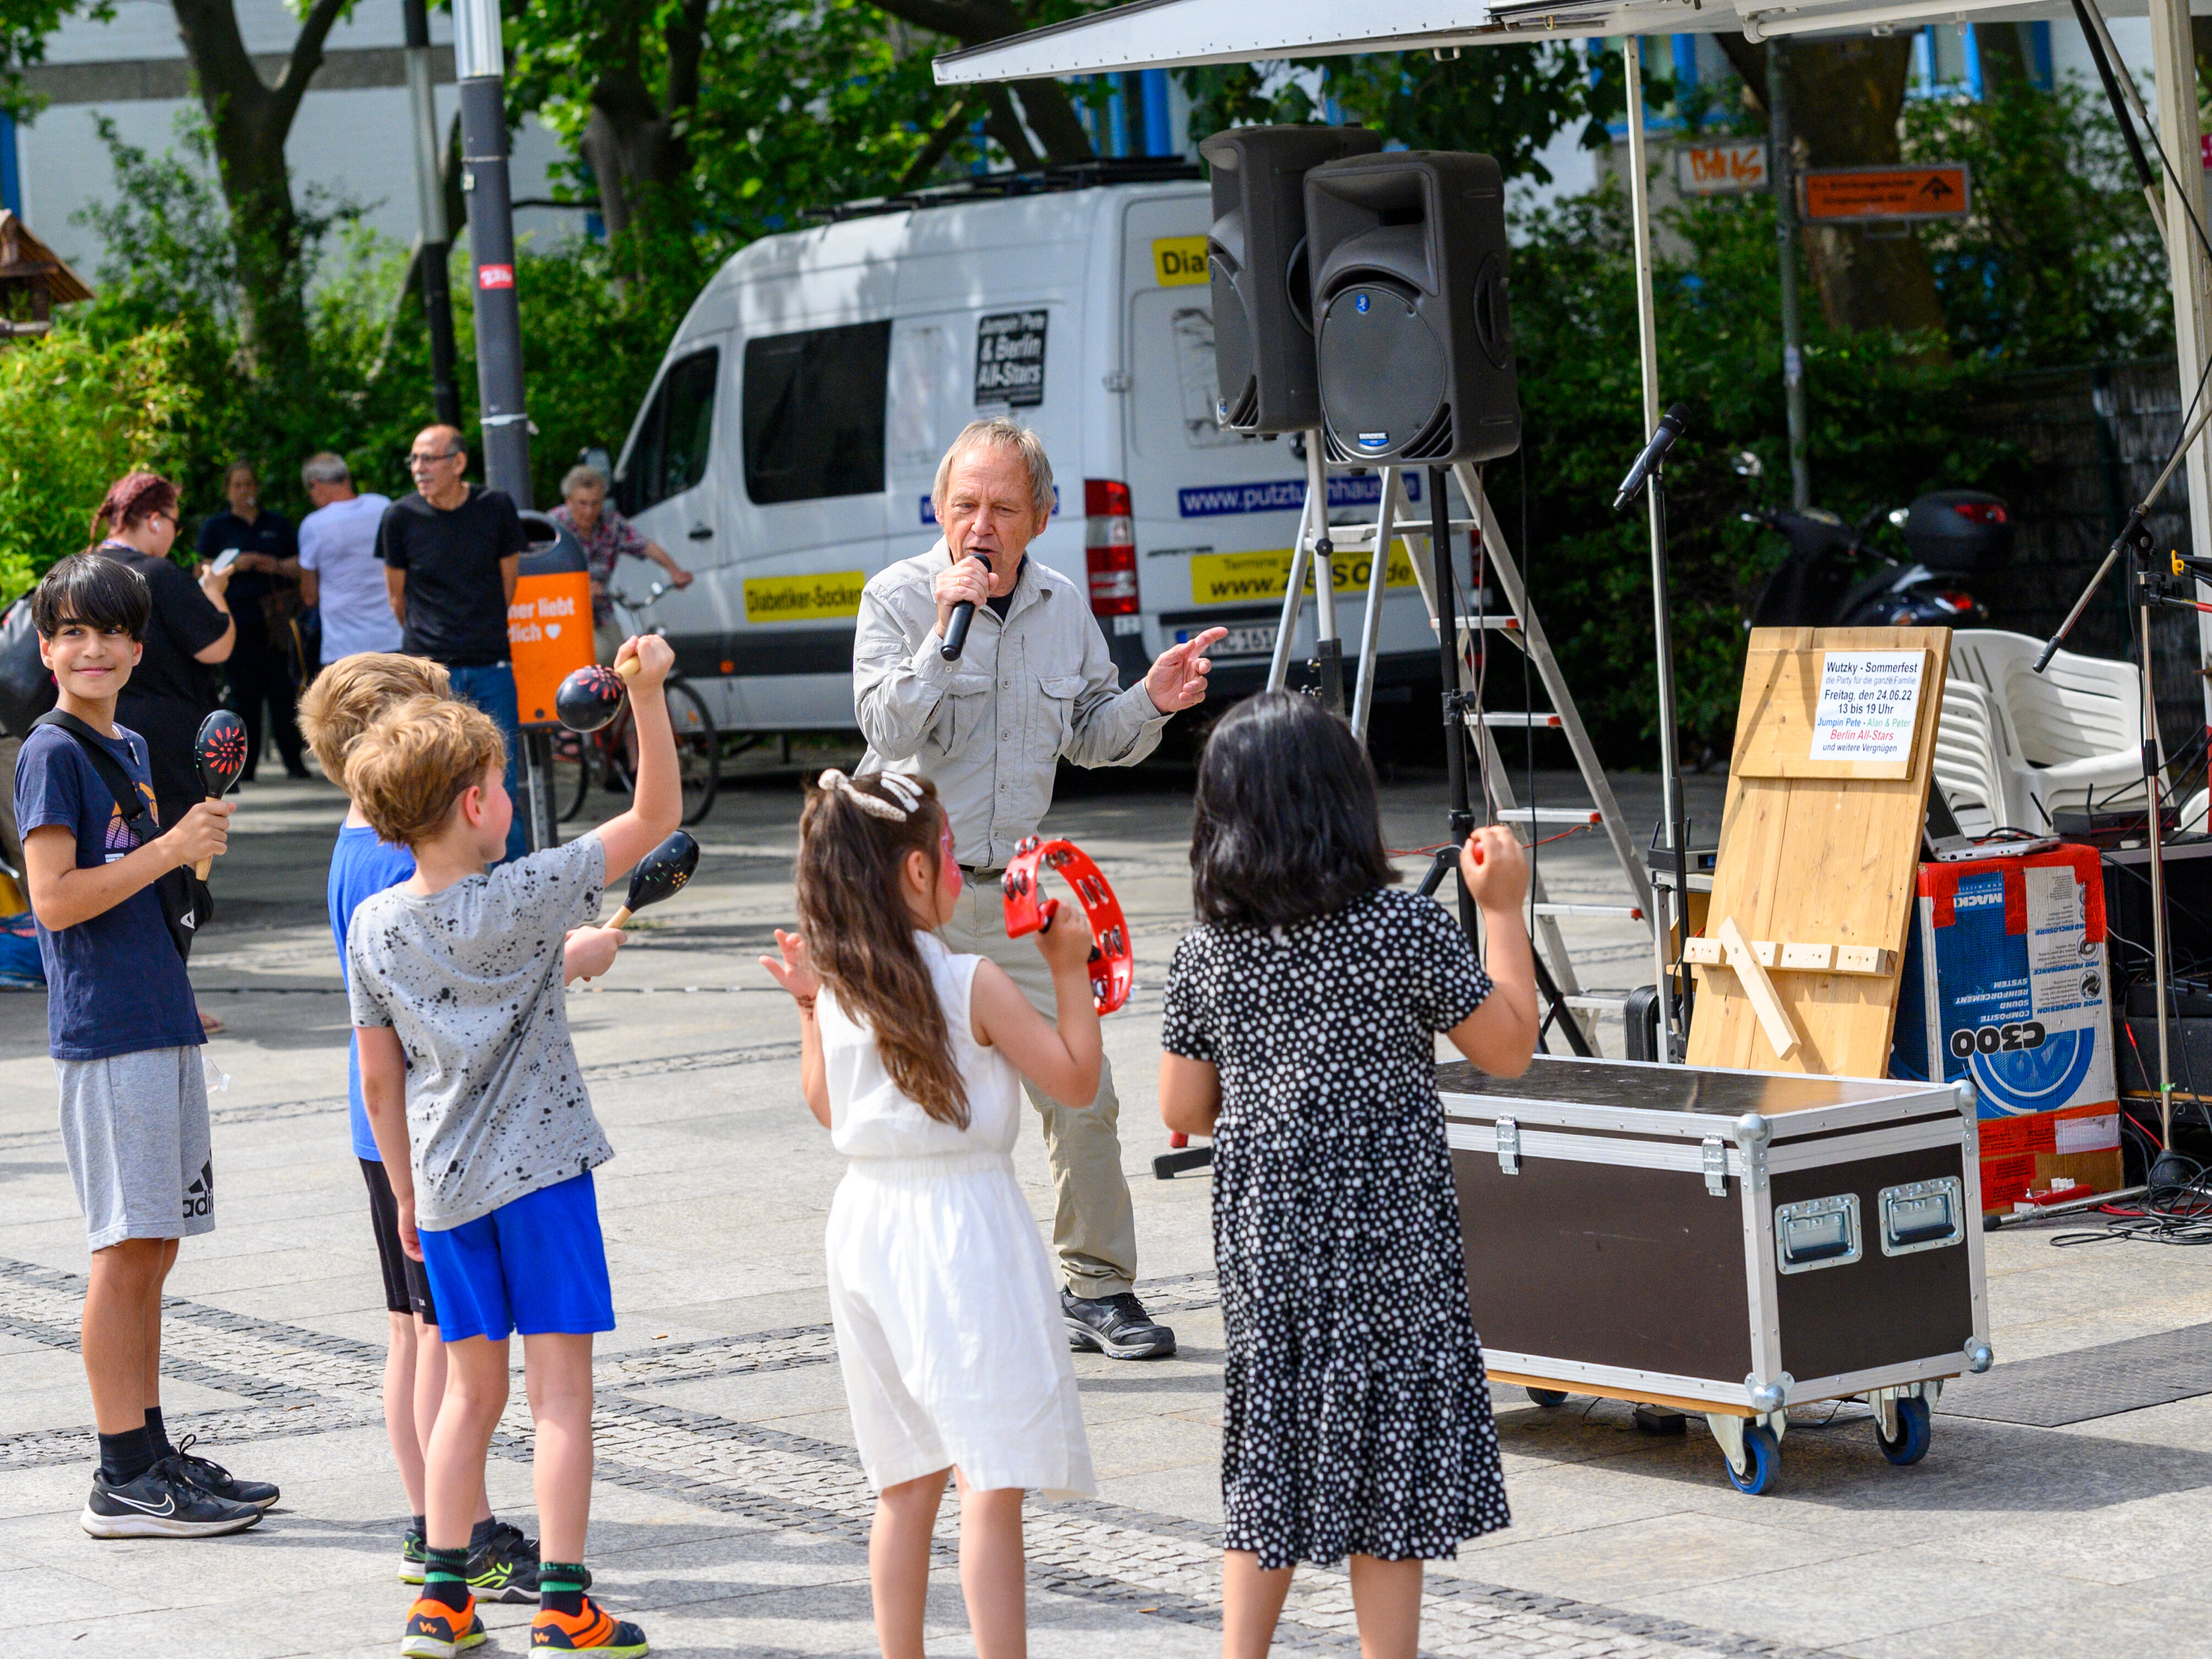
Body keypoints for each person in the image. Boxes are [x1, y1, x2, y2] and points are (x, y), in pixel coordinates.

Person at [1156, 692, 1540, 1659]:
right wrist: (1502, 911)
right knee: (1389, 1460)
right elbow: (1507, 1049)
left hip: (1270, 1241)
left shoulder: (1205, 951)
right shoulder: (1402, 929)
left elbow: (1183, 1107)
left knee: (1272, 1450)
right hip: (1391, 1234)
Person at [852, 418, 1225, 1362]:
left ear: (1042, 517)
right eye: (964, 505)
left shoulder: (1062, 604)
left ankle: (1098, 1289)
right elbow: (885, 731)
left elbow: (1092, 735)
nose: (980, 525)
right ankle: (921, 1298)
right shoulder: (898, 596)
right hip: (906, 892)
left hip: (1016, 888)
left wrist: (1152, 699)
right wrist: (945, 634)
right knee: (915, 1105)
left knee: (1082, 1086)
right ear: (938, 509)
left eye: (1003, 509)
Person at [348, 637, 679, 1659]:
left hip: (445, 1186)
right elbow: (655, 818)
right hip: (543, 1181)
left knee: (468, 1394)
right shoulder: (528, 893)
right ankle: (565, 1605)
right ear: (476, 804)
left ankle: (442, 1599)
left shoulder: (375, 925)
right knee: (561, 1397)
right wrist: (647, 694)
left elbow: (379, 1080)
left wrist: (405, 1194)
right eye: (498, 785)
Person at [759, 767, 1100, 1659]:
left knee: (906, 1480)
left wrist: (806, 1006)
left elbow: (825, 1104)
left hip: (865, 1225)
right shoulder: (970, 980)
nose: (956, 867)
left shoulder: (840, 984)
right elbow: (1073, 1080)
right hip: (962, 1231)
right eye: (947, 852)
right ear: (916, 871)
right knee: (990, 1479)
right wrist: (1070, 969)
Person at [298, 653, 600, 1601]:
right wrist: (565, 956)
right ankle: (457, 1535)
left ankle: (436, 1534)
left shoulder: (360, 847)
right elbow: (469, 976)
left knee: (416, 1339)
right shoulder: (407, 858)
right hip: (442, 1133)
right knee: (438, 1351)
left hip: (405, 1135)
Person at [12, 553, 275, 1539]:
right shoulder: (53, 752)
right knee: (123, 1252)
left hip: (158, 1013)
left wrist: (187, 855)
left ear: (136, 646)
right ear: (47, 650)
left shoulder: (122, 740)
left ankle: (152, 1450)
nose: (94, 648)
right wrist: (167, 849)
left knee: (155, 1247)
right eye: (73, 633)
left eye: (113, 632)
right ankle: (120, 1474)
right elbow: (53, 900)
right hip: (108, 1029)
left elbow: (143, 880)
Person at [378, 424, 529, 864]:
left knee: (501, 782)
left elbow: (509, 584)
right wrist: (429, 648)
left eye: (428, 458)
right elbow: (397, 597)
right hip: (429, 673)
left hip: (490, 664)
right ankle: (444, 881)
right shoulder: (400, 517)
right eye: (413, 459)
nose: (418, 469)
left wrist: (476, 629)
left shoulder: (495, 507)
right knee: (431, 783)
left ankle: (515, 885)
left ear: (458, 462)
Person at [87, 473, 235, 835]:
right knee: (177, 851)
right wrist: (215, 592)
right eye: (175, 524)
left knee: (111, 845)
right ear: (155, 520)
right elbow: (217, 647)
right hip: (164, 744)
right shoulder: (158, 575)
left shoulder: (81, 571)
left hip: (95, 734)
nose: (175, 533)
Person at [197, 460, 308, 781]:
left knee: (283, 691)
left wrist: (275, 565)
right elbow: (202, 569)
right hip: (237, 621)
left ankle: (295, 762)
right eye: (237, 485)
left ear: (257, 488)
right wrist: (238, 564)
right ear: (227, 491)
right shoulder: (217, 527)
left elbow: (302, 564)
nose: (244, 490)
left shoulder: (277, 524)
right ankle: (244, 769)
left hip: (276, 622)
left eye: (248, 484)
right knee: (244, 694)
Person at [548, 464, 691, 664]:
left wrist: (674, 571)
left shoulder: (611, 522)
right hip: (565, 611)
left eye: (596, 503)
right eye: (582, 503)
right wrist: (576, 588)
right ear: (568, 501)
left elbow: (645, 545)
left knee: (621, 660)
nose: (589, 511)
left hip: (602, 610)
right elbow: (536, 569)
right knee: (594, 659)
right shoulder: (554, 525)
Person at [297, 452, 400, 667]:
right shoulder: (383, 506)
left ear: (316, 485)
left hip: (344, 648)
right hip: (393, 637)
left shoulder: (314, 525)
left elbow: (310, 596)